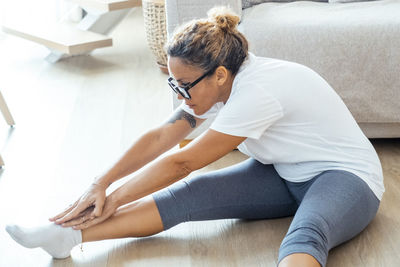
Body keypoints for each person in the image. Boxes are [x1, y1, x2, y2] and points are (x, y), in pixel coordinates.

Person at [5, 6, 384, 267]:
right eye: (173, 81)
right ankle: (67, 237)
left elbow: (182, 161)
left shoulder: (258, 91)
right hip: (284, 172)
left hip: (345, 178)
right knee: (190, 197)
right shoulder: (216, 84)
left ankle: (78, 227)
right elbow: (161, 138)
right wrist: (100, 184)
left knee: (306, 234)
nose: (179, 93)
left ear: (219, 74)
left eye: (184, 84)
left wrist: (110, 200)